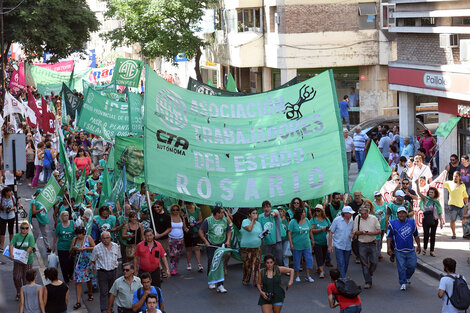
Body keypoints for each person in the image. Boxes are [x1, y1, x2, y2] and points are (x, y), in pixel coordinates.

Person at [198, 205, 231, 293]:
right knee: (211, 262)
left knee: (220, 263)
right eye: (222, 213)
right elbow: (200, 231)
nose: (223, 214)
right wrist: (205, 241)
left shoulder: (224, 220)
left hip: (221, 245)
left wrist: (228, 241)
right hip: (212, 245)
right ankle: (211, 281)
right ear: (217, 213)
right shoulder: (208, 220)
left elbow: (229, 230)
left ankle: (220, 284)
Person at [387, 207, 421, 290]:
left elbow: (416, 234)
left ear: (406, 214)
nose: (401, 214)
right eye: (399, 213)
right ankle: (403, 282)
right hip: (399, 250)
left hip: (410, 249)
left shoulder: (412, 222)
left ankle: (406, 277)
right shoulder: (392, 223)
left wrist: (419, 245)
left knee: (412, 266)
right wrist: (388, 248)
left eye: (403, 213)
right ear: (397, 214)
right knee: (401, 267)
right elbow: (389, 236)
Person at [90, 231, 121, 313]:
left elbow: (118, 257)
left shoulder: (116, 246)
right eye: (103, 238)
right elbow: (93, 260)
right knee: (104, 292)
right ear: (101, 239)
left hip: (113, 271)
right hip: (102, 272)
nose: (106, 240)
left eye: (107, 238)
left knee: (112, 291)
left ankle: (110, 308)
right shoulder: (96, 248)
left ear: (110, 238)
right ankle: (104, 309)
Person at [353, 204, 380, 289]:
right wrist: (362, 232)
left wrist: (371, 233)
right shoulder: (357, 219)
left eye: (365, 213)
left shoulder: (374, 218)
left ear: (368, 212)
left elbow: (379, 231)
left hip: (372, 242)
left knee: (374, 262)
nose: (363, 215)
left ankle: (369, 273)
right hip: (362, 243)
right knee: (364, 264)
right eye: (362, 214)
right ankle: (368, 282)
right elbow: (355, 232)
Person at [70, 227, 96, 309]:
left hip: (89, 262)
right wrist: (74, 248)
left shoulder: (88, 238)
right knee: (78, 282)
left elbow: (94, 248)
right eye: (77, 234)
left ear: (83, 233)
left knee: (89, 280)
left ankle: (90, 293)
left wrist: (85, 248)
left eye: (80, 234)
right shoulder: (74, 239)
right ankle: (78, 301)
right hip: (79, 263)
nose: (79, 236)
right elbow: (70, 251)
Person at [416, 183, 444, 257]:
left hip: (434, 220)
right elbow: (418, 193)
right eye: (429, 192)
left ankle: (432, 251)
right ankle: (424, 249)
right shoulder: (425, 199)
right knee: (426, 235)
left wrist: (441, 222)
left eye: (432, 192)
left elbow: (440, 212)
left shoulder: (436, 202)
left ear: (435, 194)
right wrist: (417, 184)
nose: (430, 193)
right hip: (426, 220)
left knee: (433, 236)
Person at [10, 221, 35, 301]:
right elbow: (11, 245)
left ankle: (25, 293)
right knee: (16, 277)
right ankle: (19, 291)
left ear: (28, 229)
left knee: (26, 278)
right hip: (18, 261)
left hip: (27, 260)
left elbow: (31, 246)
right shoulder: (16, 236)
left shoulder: (30, 236)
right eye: (23, 228)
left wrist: (24, 254)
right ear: (20, 228)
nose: (24, 230)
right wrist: (11, 253)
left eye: (26, 228)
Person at [288, 208, 314, 283]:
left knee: (309, 260)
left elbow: (310, 230)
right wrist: (291, 244)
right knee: (297, 260)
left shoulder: (307, 220)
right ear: (299, 214)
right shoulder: (293, 222)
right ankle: (297, 276)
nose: (304, 214)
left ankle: (308, 276)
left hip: (306, 244)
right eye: (303, 212)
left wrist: (312, 239)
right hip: (296, 245)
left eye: (304, 212)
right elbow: (289, 233)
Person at [328, 206, 355, 278]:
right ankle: (343, 279)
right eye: (350, 213)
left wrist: (353, 234)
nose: (351, 215)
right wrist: (330, 246)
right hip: (338, 245)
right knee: (341, 263)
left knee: (345, 263)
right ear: (345, 214)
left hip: (348, 245)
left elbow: (353, 231)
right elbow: (331, 232)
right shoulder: (337, 220)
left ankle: (341, 277)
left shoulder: (352, 221)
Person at [240, 208, 263, 286]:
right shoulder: (245, 221)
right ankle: (246, 279)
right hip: (246, 247)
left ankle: (257, 282)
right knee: (247, 265)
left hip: (257, 247)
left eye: (256, 213)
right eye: (253, 213)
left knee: (257, 265)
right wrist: (253, 220)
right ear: (249, 214)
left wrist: (263, 235)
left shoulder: (259, 224)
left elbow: (259, 234)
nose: (255, 214)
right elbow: (249, 229)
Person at [258, 200, 284, 265]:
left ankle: (278, 271)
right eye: (265, 207)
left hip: (277, 240)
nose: (266, 209)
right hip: (267, 241)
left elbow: (276, 212)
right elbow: (260, 228)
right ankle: (269, 273)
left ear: (270, 207)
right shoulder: (260, 217)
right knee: (268, 259)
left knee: (279, 258)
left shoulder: (274, 212)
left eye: (268, 207)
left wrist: (273, 214)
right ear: (262, 208)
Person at [445, 171, 469, 239]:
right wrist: (445, 173)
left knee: (463, 220)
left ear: (459, 177)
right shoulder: (449, 183)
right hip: (452, 206)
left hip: (461, 206)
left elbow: (465, 196)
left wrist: (467, 205)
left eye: (456, 176)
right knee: (452, 220)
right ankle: (454, 234)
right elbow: (440, 183)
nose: (455, 178)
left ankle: (464, 233)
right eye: (454, 176)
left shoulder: (462, 185)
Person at [53, 210, 75, 284]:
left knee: (71, 264)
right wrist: (53, 246)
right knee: (63, 264)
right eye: (64, 215)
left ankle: (70, 274)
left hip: (71, 247)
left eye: (67, 215)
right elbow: (56, 235)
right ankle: (66, 279)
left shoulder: (72, 223)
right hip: (61, 248)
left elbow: (76, 234)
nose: (65, 217)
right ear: (61, 217)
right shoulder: (59, 225)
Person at [182, 201, 203, 272]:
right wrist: (184, 219)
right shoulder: (183, 209)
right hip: (188, 231)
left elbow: (200, 219)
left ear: (192, 203)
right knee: (188, 248)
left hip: (195, 230)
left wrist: (195, 223)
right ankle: (189, 263)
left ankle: (199, 264)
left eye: (189, 204)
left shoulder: (197, 209)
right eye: (186, 204)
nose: (187, 205)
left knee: (197, 247)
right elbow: (182, 219)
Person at [311, 204, 331, 278]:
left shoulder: (326, 219)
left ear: (322, 211)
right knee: (319, 256)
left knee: (323, 256)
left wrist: (328, 229)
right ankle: (322, 271)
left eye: (318, 210)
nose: (317, 212)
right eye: (315, 210)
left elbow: (330, 227)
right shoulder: (313, 220)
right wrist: (321, 230)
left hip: (325, 241)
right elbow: (311, 230)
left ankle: (319, 267)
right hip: (317, 241)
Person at [29, 188, 51, 253]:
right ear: (37, 194)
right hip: (35, 218)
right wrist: (41, 210)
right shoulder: (34, 201)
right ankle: (32, 246)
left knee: (45, 233)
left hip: (42, 218)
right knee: (36, 233)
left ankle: (47, 247)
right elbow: (33, 212)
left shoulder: (43, 201)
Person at [168, 204, 187, 276]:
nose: (175, 211)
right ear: (171, 211)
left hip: (180, 238)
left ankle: (175, 267)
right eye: (173, 210)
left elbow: (184, 227)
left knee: (178, 254)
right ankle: (172, 268)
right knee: (173, 254)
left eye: (177, 210)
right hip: (171, 238)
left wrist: (187, 229)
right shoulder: (170, 218)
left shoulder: (181, 217)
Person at [0, 186, 17, 251]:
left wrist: (11, 209)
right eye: (10, 192)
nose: (11, 193)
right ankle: (1, 246)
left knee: (11, 231)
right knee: (2, 232)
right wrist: (3, 208)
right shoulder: (1, 198)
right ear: (6, 192)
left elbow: (16, 206)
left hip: (11, 216)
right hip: (3, 216)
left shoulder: (12, 198)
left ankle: (11, 245)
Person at [372, 192, 388, 260]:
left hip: (383, 224)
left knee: (380, 239)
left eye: (379, 195)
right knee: (376, 239)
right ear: (375, 197)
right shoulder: (373, 204)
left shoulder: (385, 204)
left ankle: (379, 251)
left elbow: (388, 213)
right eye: (377, 196)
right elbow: (371, 213)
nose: (378, 197)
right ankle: (376, 252)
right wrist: (377, 213)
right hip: (375, 225)